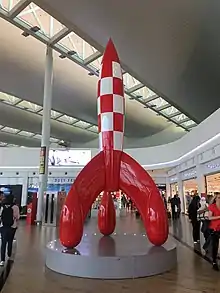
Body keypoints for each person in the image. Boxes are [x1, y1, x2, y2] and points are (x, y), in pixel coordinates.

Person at [0, 194, 20, 266]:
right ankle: (9, 254)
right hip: (12, 227)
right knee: (10, 241)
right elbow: (17, 217)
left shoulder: (2, 206)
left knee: (3, 243)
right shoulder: (15, 207)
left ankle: (2, 260)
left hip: (3, 227)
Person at [207, 193, 220, 271]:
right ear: (215, 198)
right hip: (214, 229)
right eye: (218, 197)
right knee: (215, 245)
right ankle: (214, 261)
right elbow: (209, 217)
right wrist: (219, 217)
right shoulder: (212, 206)